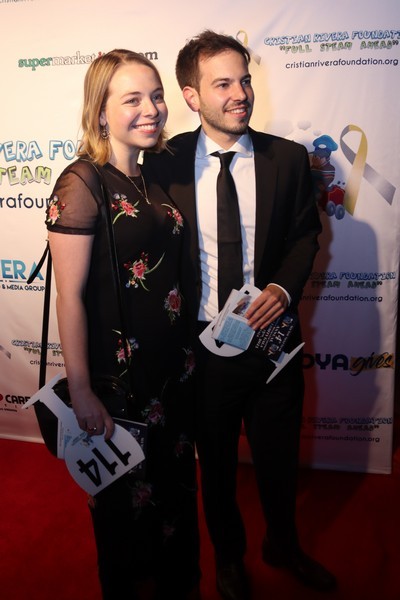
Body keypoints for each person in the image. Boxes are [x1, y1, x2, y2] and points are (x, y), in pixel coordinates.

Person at [144, 31, 337, 600]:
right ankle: (228, 558)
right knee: (218, 464)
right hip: (203, 348)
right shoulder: (164, 163)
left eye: (245, 81)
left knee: (279, 458)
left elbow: (305, 235)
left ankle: (284, 545)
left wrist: (282, 287)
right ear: (191, 96)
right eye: (223, 84)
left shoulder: (288, 158)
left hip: (274, 340)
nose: (240, 94)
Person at [45, 49, 200, 600]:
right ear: (100, 112)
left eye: (156, 96)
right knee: (125, 513)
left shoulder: (153, 175)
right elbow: (69, 298)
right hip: (120, 383)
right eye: (132, 99)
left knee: (174, 495)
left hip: (171, 375)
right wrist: (83, 390)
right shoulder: (81, 183)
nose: (151, 109)